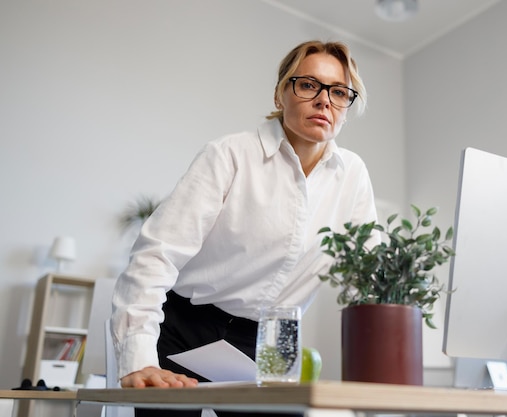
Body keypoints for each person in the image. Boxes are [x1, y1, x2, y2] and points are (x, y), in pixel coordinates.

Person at [110, 40, 379, 417]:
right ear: (280, 94)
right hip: (188, 325)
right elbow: (157, 254)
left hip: (274, 340)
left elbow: (368, 273)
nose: (324, 101)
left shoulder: (352, 175)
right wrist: (138, 357)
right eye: (308, 85)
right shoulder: (229, 155)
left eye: (339, 92)